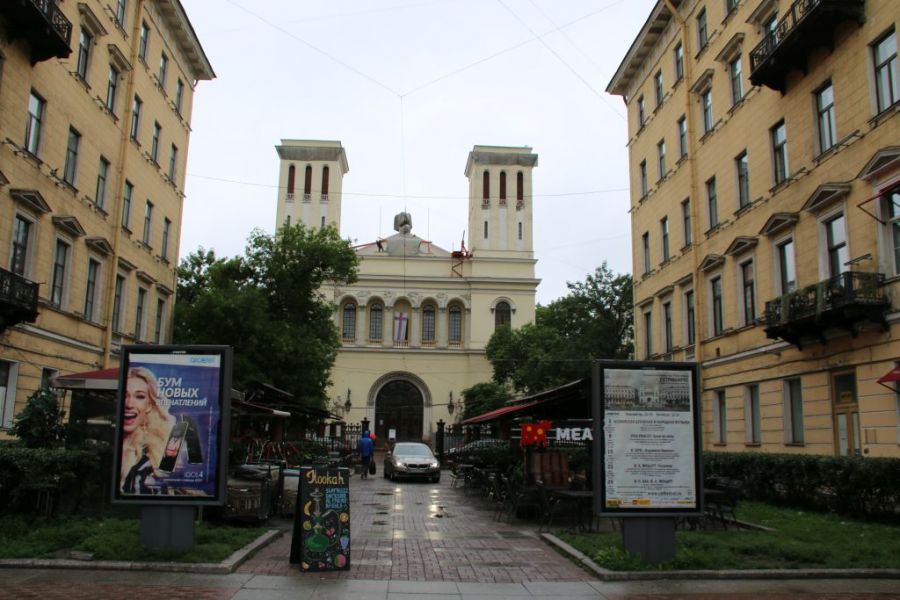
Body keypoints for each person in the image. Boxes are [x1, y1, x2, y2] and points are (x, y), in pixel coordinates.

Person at [120, 366, 176, 494]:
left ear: (149, 406)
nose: (129, 404)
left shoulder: (152, 457)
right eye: (124, 395)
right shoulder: (112, 445)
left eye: (139, 396)